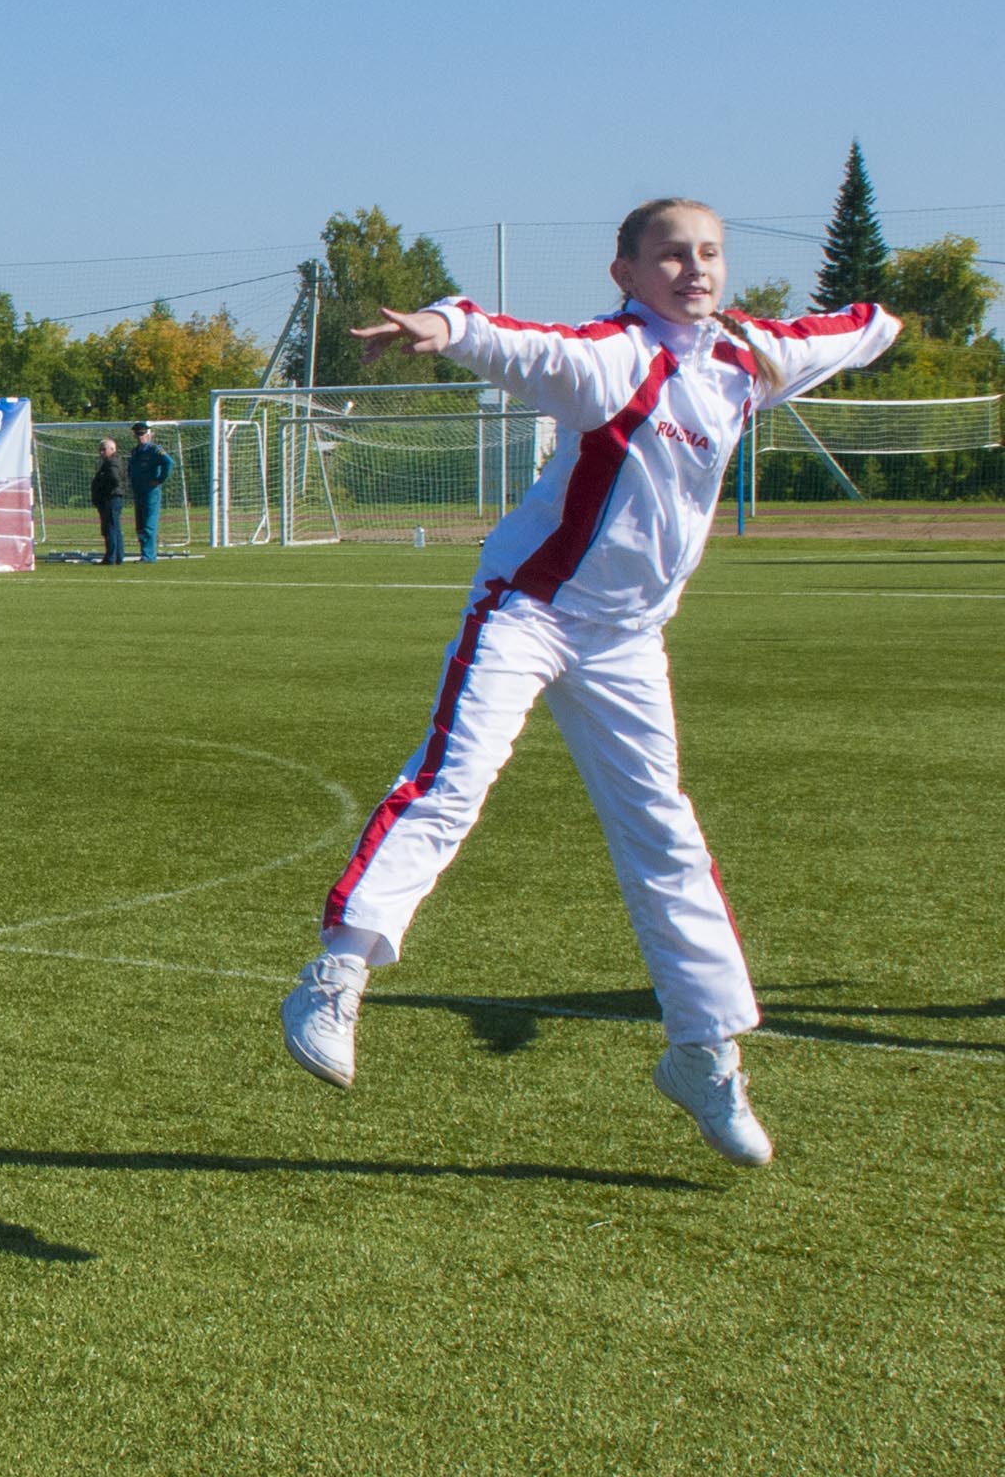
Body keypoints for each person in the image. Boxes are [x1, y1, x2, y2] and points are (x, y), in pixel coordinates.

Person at [278, 199, 899, 1166]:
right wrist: (443, 326)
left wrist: (890, 324)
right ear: (626, 273)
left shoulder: (747, 359)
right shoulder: (612, 359)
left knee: (664, 831)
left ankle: (702, 1051)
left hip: (629, 642)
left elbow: (847, 330)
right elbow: (515, 344)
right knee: (455, 780)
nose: (694, 270)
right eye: (671, 256)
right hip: (528, 612)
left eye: (709, 254)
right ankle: (336, 973)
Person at [126, 421, 172, 563]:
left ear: (150, 434)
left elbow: (169, 463)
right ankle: (144, 553)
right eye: (137, 434)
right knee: (139, 524)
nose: (140, 437)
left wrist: (159, 479)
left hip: (150, 492)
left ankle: (149, 556)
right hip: (138, 490)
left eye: (142, 434)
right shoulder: (135, 451)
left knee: (148, 524)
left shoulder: (154, 450)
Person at [89, 437, 125, 564]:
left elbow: (114, 479)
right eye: (101, 450)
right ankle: (118, 556)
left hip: (111, 498)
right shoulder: (111, 462)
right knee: (114, 527)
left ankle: (111, 557)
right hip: (112, 498)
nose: (101, 452)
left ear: (112, 449)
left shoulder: (112, 462)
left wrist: (103, 490)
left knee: (110, 528)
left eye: (104, 449)